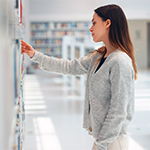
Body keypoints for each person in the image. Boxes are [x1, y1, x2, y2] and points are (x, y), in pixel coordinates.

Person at [21, 4, 138, 150]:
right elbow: (69, 66)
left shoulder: (120, 61)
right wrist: (35, 55)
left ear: (107, 23)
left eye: (94, 23)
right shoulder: (99, 56)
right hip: (102, 138)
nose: (90, 28)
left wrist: (101, 143)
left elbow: (119, 110)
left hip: (112, 141)